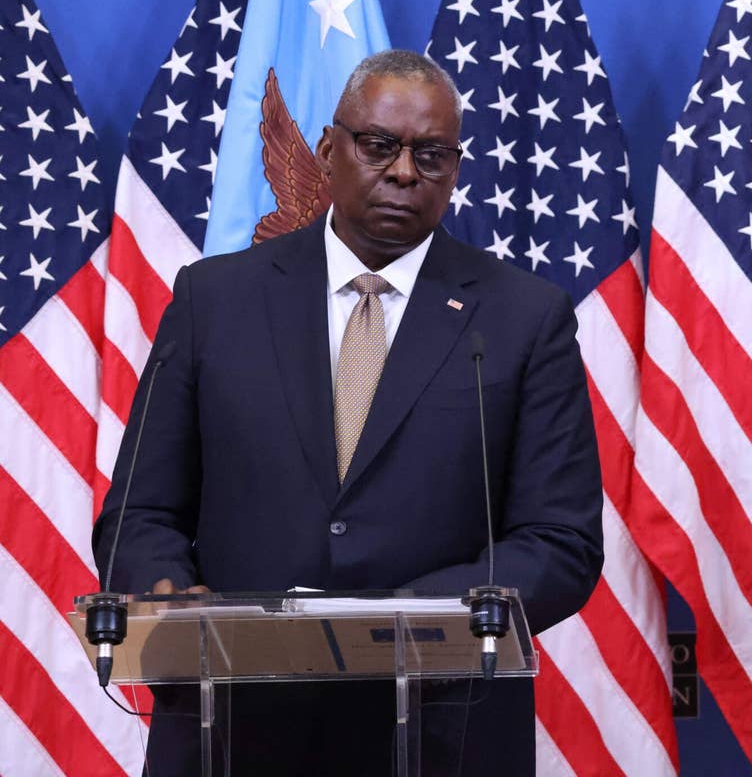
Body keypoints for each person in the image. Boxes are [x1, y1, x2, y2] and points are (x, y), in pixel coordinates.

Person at [93, 49, 604, 775]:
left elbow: (560, 541)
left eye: (431, 155)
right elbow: (139, 513)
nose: (404, 172)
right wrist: (167, 592)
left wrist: (391, 625)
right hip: (234, 723)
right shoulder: (214, 301)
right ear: (329, 150)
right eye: (379, 146)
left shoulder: (524, 318)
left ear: (454, 169)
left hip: (437, 731)